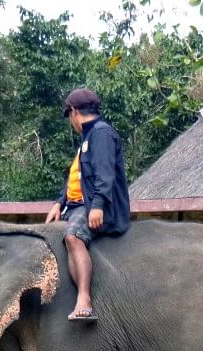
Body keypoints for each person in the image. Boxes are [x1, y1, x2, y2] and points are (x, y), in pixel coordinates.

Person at [45, 88, 130, 322]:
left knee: (73, 236)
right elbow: (75, 178)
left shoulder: (101, 134)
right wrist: (58, 203)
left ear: (73, 112)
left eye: (69, 116)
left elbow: (105, 175)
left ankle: (84, 298)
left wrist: (98, 205)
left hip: (94, 206)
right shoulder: (86, 139)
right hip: (76, 205)